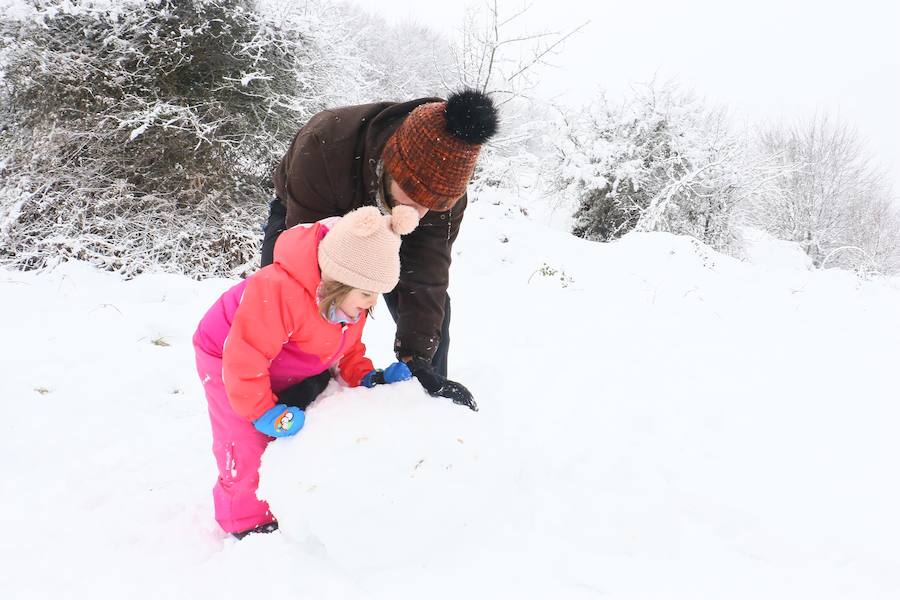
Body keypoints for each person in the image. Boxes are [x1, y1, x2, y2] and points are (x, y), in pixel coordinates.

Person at [262, 89, 499, 413]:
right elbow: (304, 268)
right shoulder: (324, 145)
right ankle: (280, 395)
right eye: (413, 197)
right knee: (285, 303)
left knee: (433, 310)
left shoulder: (441, 198)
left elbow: (427, 277)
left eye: (432, 206)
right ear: (392, 164)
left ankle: (426, 392)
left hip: (391, 227)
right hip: (311, 219)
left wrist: (417, 358)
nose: (419, 213)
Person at [193, 205, 420, 539]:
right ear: (341, 281)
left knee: (293, 427)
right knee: (246, 439)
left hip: (281, 355)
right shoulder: (279, 290)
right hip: (228, 355)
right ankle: (246, 519)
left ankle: (286, 500)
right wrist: (262, 411)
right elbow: (247, 357)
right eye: (367, 294)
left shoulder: (345, 305)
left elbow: (348, 349)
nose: (371, 304)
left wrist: (366, 377)